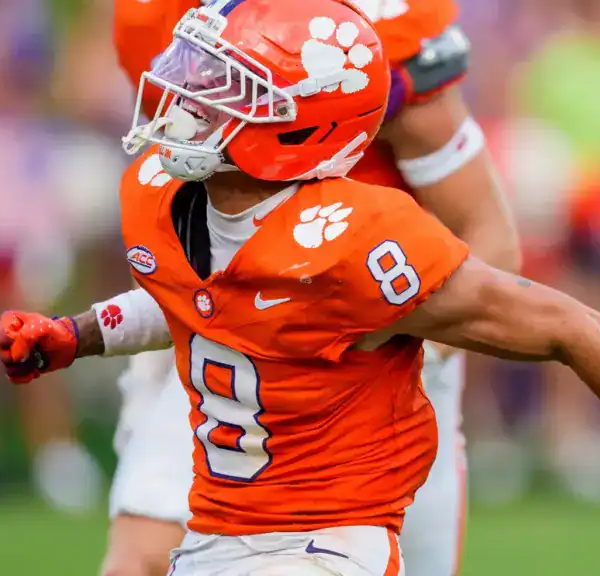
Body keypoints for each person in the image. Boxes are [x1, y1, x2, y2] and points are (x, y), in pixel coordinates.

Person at [0, 1, 600, 574]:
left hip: (323, 543)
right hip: (216, 532)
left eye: (223, 87)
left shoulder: (360, 245)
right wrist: (75, 335)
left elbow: (569, 325)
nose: (188, 98)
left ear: (296, 125)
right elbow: (192, 294)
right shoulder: (160, 189)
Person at [106, 0, 520, 573]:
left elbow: (490, 236)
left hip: (371, 355)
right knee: (143, 553)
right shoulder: (157, 15)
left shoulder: (365, 30)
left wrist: (399, 362)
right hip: (225, 333)